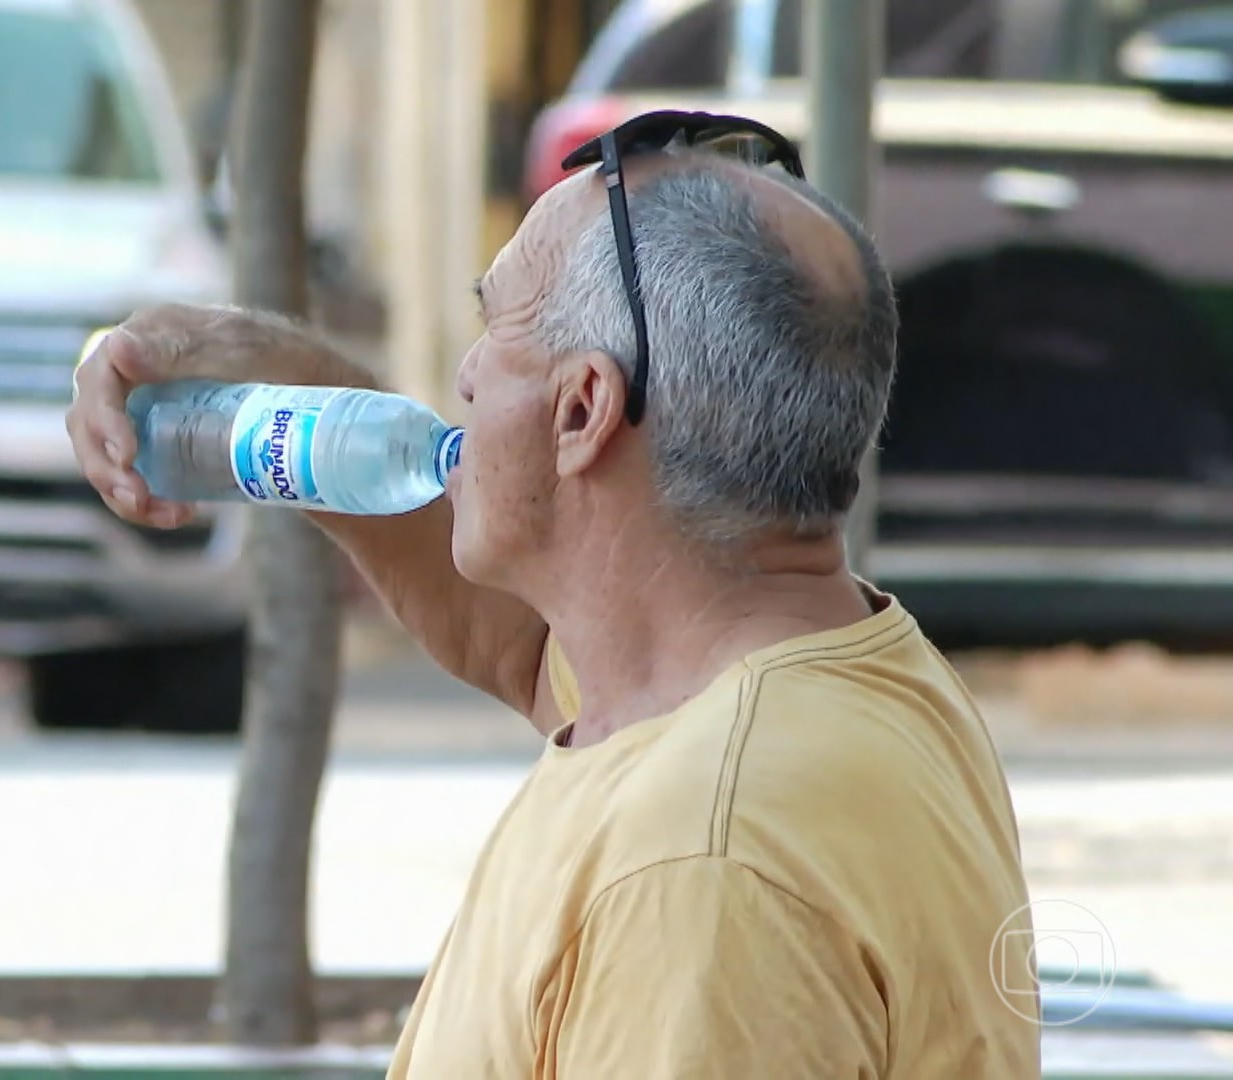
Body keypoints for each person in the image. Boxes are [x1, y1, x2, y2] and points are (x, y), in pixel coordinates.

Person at [66, 111, 1040, 1077]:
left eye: (498, 327)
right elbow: (511, 644)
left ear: (582, 410)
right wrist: (245, 362)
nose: (466, 373)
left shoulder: (702, 865)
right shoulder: (808, 681)